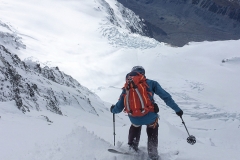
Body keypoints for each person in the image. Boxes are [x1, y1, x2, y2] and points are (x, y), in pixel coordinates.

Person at [110, 66, 183, 160]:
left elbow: (119, 107)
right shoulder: (151, 83)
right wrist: (177, 110)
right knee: (152, 126)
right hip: (150, 116)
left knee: (135, 125)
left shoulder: (127, 86)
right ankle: (153, 153)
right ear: (143, 74)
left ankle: (132, 148)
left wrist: (113, 110)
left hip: (133, 117)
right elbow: (166, 97)